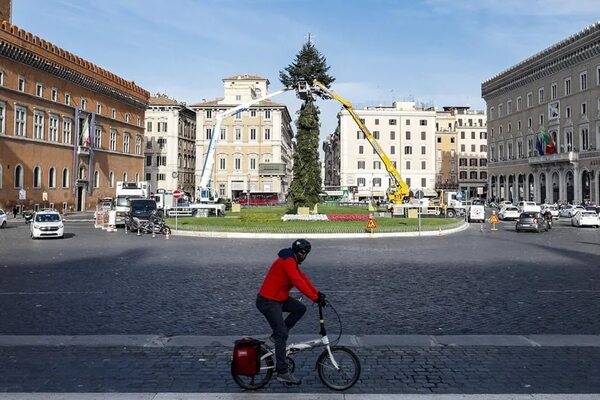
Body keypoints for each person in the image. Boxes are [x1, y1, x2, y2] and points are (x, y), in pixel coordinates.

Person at [256, 239, 326, 385]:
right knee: (282, 333)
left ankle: (277, 337)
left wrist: (318, 294)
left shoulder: (291, 259)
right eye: (305, 254)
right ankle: (282, 371)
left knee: (300, 308)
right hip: (268, 301)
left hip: (278, 299)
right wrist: (314, 298)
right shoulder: (288, 261)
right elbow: (297, 281)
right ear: (302, 254)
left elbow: (303, 278)